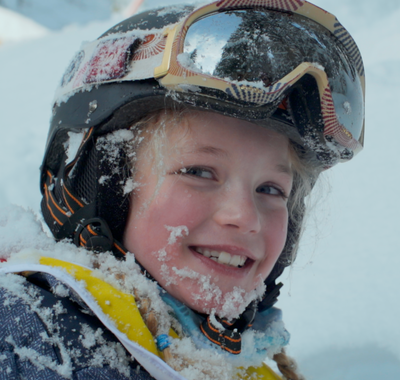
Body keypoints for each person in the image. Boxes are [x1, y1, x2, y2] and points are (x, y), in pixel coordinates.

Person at [0, 1, 365, 379]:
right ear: (102, 187)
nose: (244, 217)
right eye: (199, 172)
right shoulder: (30, 335)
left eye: (271, 189)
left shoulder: (243, 365)